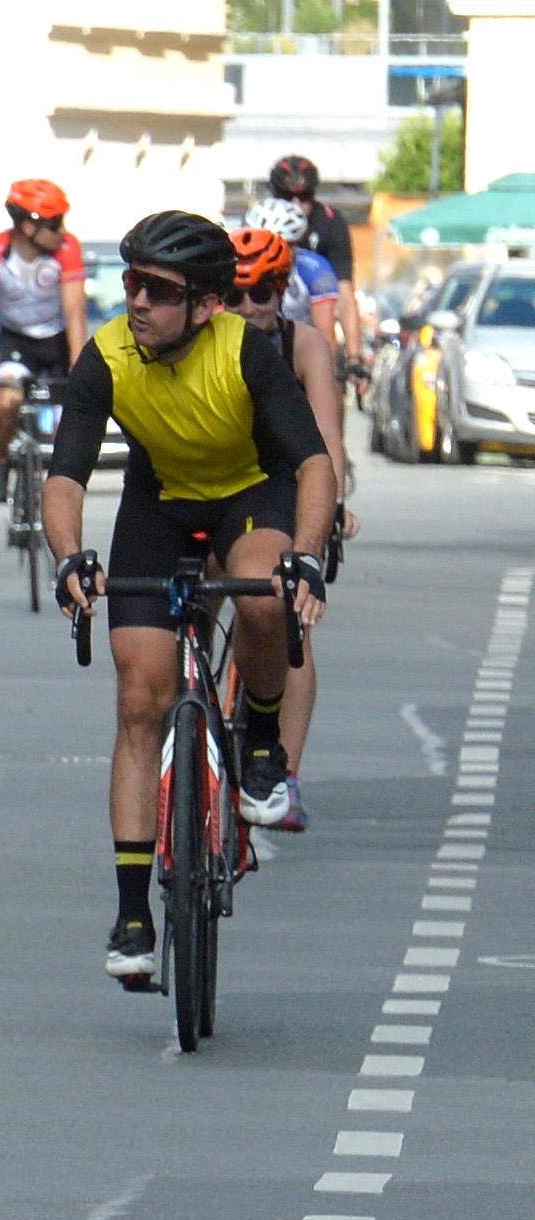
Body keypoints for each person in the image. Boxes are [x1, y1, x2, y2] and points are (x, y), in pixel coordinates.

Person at [43, 212, 334, 983]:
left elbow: (313, 466)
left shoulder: (244, 352)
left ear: (205, 305)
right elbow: (65, 478)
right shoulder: (106, 353)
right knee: (141, 700)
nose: (136, 300)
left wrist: (305, 555)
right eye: (131, 281)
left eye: (158, 290)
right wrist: (69, 556)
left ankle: (264, 746)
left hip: (250, 493)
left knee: (265, 598)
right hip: (160, 503)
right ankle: (134, 913)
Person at [228, 227, 360, 834]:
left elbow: (327, 441)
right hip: (219, 485)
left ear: (282, 293)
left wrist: (329, 508)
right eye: (236, 294)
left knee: (290, 627)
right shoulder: (206, 343)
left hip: (284, 483)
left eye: (263, 293)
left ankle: (284, 774)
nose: (250, 306)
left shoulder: (304, 344)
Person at [0, 179, 87, 504]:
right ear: (28, 226)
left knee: (73, 415)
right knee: (7, 401)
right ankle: (1, 461)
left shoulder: (67, 248)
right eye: (55, 223)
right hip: (17, 341)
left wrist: (80, 365)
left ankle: (59, 477)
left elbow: (75, 315)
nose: (62, 230)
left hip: (57, 339)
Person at [269, 155, 367, 380]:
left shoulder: (331, 222)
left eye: (304, 197)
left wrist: (353, 357)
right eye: (287, 196)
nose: (296, 204)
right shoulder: (260, 220)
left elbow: (345, 293)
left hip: (315, 315)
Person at [244, 197, 341, 354]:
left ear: (295, 244)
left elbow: (326, 335)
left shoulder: (315, 268)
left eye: (284, 246)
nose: (271, 254)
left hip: (297, 347)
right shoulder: (233, 266)